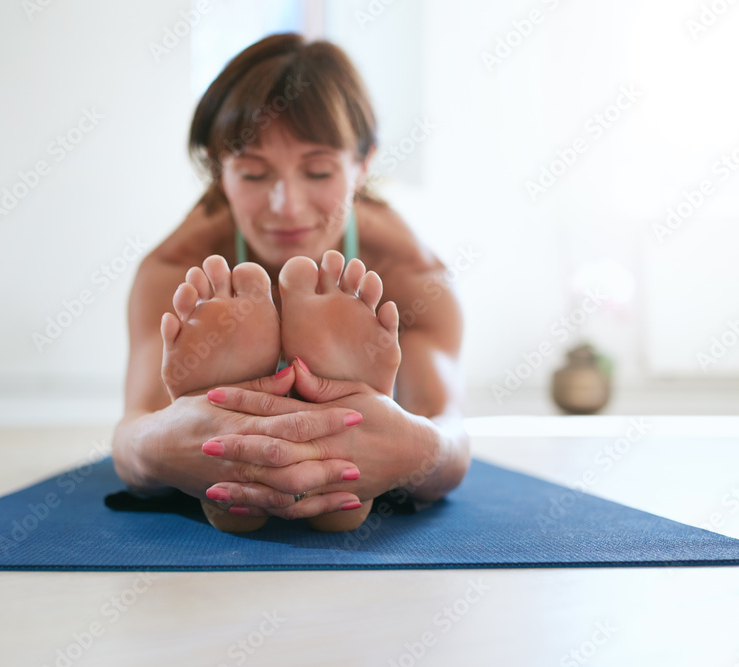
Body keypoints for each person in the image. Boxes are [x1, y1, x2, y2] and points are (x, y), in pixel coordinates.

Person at [112, 32, 470, 533]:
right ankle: (221, 432)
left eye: (319, 172)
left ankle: (346, 419)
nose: (286, 205)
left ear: (362, 165)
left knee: (413, 437)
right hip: (222, 439)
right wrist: (162, 446)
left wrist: (417, 448)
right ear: (219, 172)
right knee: (167, 429)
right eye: (254, 174)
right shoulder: (178, 270)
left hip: (362, 436)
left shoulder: (409, 271)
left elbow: (450, 435)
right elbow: (132, 436)